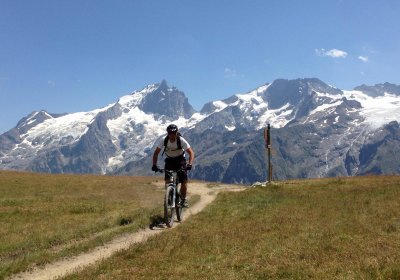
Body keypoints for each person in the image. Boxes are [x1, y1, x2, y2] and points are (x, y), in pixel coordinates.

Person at [152, 124, 194, 207]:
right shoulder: (164, 140)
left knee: (183, 181)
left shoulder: (181, 140)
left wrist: (190, 164)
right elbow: (156, 153)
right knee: (167, 180)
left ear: (176, 132)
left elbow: (191, 152)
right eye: (170, 133)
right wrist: (154, 165)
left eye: (174, 133)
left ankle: (184, 200)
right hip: (170, 160)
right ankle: (168, 195)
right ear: (167, 133)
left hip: (180, 160)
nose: (172, 135)